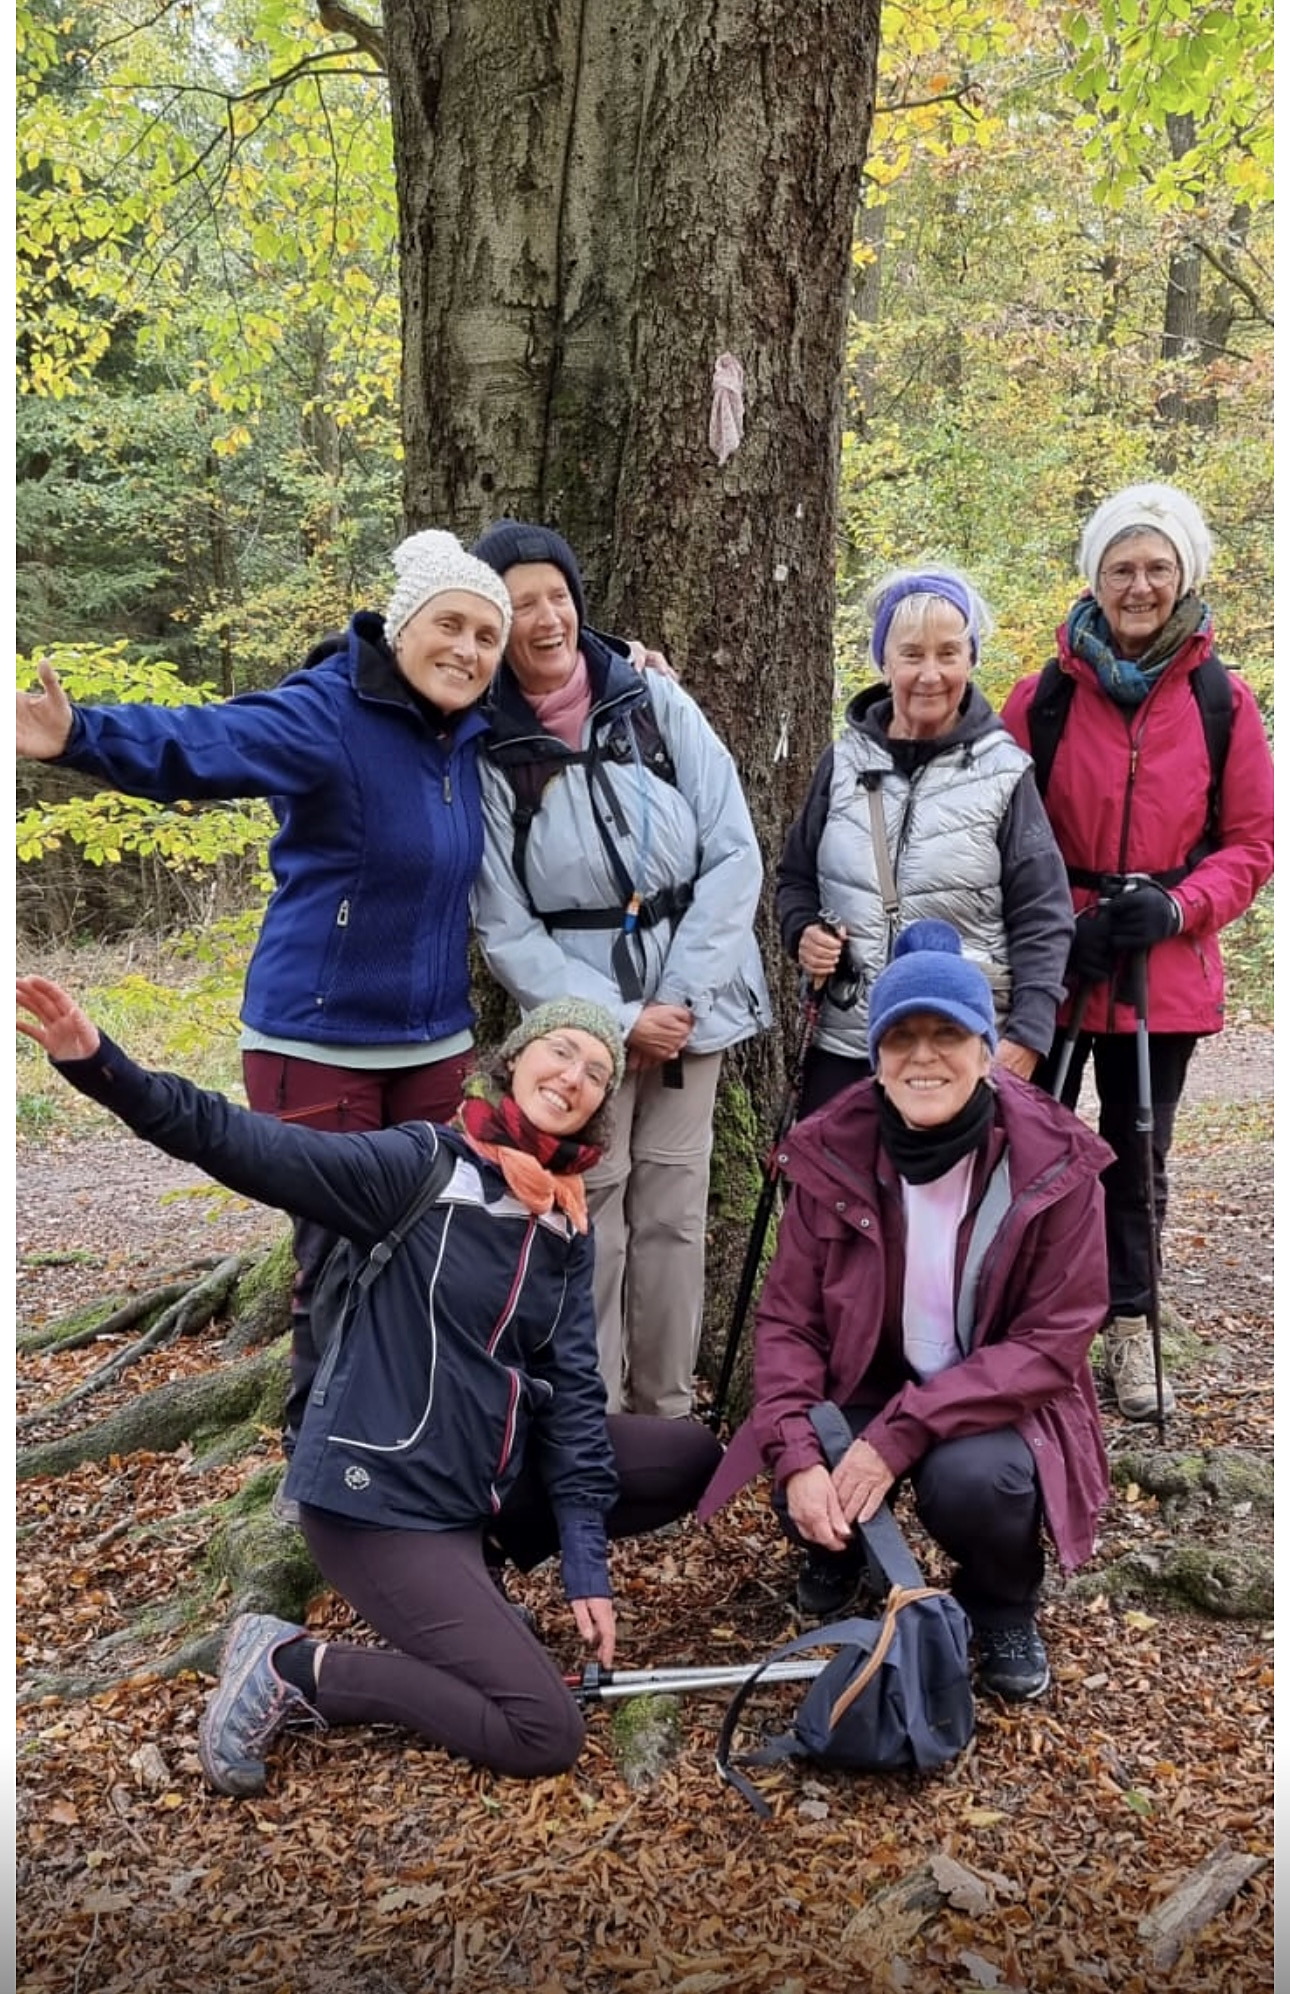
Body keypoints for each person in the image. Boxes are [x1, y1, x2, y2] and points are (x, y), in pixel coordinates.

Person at [16, 978, 723, 1791]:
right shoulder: (420, 1168)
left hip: (476, 1483)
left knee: (687, 1455)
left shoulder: (563, 1218)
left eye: (597, 1071)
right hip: (378, 1502)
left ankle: (475, 1576)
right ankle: (293, 1666)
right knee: (542, 1731)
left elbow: (572, 1399)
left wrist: (586, 1566)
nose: (573, 1076)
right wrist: (101, 1067)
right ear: (516, 1057)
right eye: (561, 1050)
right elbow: (244, 1144)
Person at [15, 530, 518, 1460]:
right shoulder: (328, 710)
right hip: (316, 1044)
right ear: (402, 627)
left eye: (488, 637)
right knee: (333, 1258)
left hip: (435, 1045)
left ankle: (411, 1452)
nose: (467, 650)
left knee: (428, 1248)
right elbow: (210, 740)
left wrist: (632, 668)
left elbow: (569, 670)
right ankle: (319, 1464)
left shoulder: (471, 730)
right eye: (449, 625)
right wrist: (80, 736)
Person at [697, 921, 1112, 1703]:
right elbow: (788, 1322)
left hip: (993, 1398)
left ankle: (1001, 1604)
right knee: (806, 1464)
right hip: (867, 1375)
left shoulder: (1056, 1162)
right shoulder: (831, 1147)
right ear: (876, 1059)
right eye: (901, 1038)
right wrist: (798, 1456)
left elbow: (1052, 1342)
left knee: (980, 1484)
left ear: (987, 1052)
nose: (924, 1057)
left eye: (948, 1034)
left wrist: (898, 1436)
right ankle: (839, 1549)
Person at [469, 520, 772, 1421]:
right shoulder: (492, 750)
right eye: (521, 605)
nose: (547, 619)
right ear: (497, 624)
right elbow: (503, 921)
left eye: (556, 596)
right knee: (586, 1215)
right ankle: (590, 1421)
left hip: (693, 1009)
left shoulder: (652, 702)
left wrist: (676, 998)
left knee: (675, 1214)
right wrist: (615, 1018)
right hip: (579, 1030)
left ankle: (666, 1415)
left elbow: (734, 851)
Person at [1002, 484, 1274, 1421]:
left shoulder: (1221, 700)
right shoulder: (1040, 699)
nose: (1140, 585)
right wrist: (1057, 921)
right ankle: (1027, 1319)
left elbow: (1251, 843)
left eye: (1158, 567)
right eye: (1122, 568)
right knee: (1028, 1142)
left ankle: (1130, 1324)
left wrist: (1177, 906)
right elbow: (999, 826)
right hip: (1057, 959)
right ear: (1095, 577)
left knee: (1135, 1154)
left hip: (1165, 967)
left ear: (1184, 576)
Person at [776, 563, 1073, 1119]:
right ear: (885, 662)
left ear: (971, 659)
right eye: (912, 654)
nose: (930, 674)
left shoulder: (1005, 773)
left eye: (948, 653)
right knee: (831, 1175)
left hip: (960, 1046)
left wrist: (1028, 1036)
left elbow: (1044, 916)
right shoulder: (843, 762)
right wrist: (804, 931)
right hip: (848, 1039)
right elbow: (795, 878)